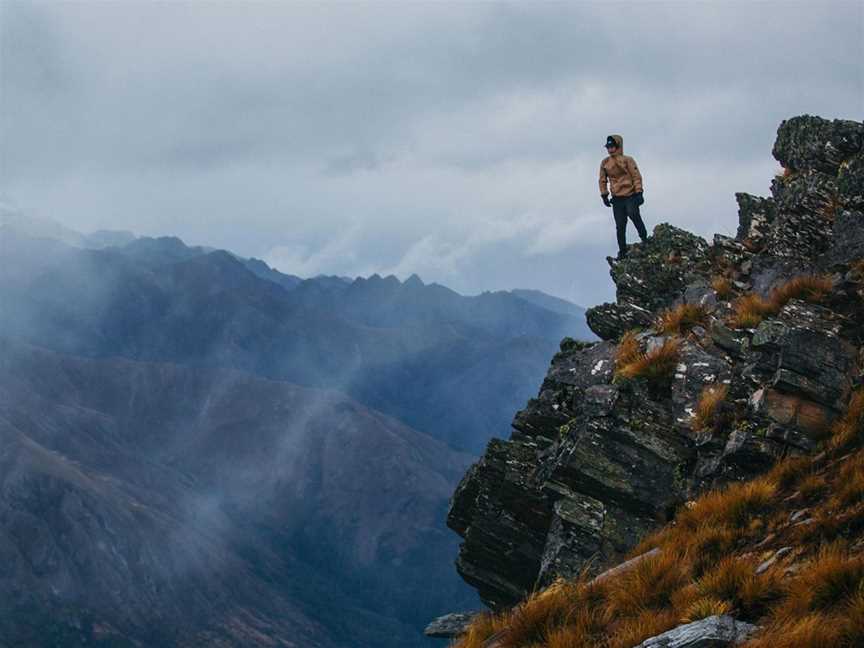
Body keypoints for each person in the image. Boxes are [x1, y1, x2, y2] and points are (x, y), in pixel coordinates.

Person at [599, 134, 648, 259]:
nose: (610, 149)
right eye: (608, 147)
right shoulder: (605, 163)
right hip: (617, 199)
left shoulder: (628, 160)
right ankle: (622, 250)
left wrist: (639, 192)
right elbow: (602, 180)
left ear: (618, 146)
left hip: (630, 195)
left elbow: (636, 176)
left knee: (634, 215)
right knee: (620, 225)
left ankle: (645, 239)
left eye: (612, 146)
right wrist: (604, 195)